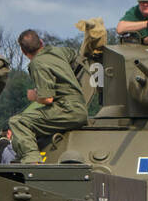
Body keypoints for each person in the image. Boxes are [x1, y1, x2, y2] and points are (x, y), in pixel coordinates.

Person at [8, 29, 88, 162]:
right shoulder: (57, 52)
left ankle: (32, 160)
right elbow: (75, 56)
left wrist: (34, 96)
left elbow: (47, 99)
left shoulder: (37, 64)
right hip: (79, 107)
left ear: (23, 51)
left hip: (66, 110)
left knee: (18, 121)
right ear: (41, 42)